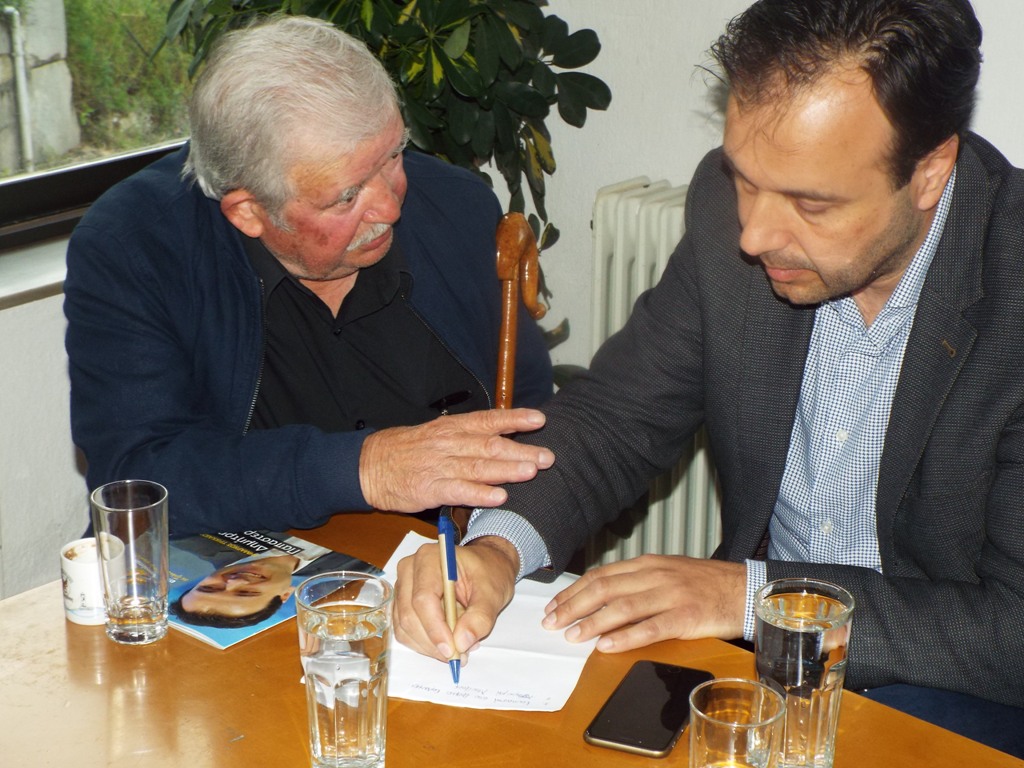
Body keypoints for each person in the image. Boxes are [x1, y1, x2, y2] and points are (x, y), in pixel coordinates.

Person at [394, 0, 1024, 755]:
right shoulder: (727, 210)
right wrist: (495, 553)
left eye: (811, 203)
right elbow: (618, 418)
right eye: (746, 179)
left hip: (951, 697)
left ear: (929, 173)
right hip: (752, 669)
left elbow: (1013, 628)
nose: (755, 234)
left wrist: (756, 598)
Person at [64, 16, 554, 535]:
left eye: (392, 156)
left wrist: (498, 545)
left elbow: (534, 416)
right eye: (347, 196)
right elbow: (136, 480)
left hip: (445, 559)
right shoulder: (135, 248)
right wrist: (363, 468)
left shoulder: (458, 206)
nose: (390, 207)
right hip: (242, 568)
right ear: (248, 212)